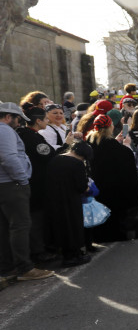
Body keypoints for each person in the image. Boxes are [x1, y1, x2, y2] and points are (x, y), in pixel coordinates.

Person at [0, 103, 54, 282]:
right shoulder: (5, 130)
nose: (19, 123)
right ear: (8, 117)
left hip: (5, 184)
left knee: (6, 227)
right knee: (20, 226)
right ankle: (24, 268)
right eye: (18, 119)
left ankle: (8, 267)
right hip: (12, 184)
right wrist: (22, 179)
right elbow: (8, 158)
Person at [85, 116, 138, 242]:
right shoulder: (118, 149)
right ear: (110, 127)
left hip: (98, 187)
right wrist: (127, 145)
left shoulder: (89, 144)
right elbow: (127, 164)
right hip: (117, 188)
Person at [17, 104, 58, 264]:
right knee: (36, 218)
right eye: (46, 119)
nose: (48, 122)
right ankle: (38, 251)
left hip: (32, 180)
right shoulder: (32, 137)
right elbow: (48, 154)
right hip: (36, 182)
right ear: (38, 121)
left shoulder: (23, 133)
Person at [45, 141, 93, 267]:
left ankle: (65, 253)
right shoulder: (77, 164)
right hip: (71, 200)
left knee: (60, 226)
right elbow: (82, 186)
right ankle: (73, 256)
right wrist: (89, 189)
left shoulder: (55, 159)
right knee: (73, 226)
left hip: (54, 199)